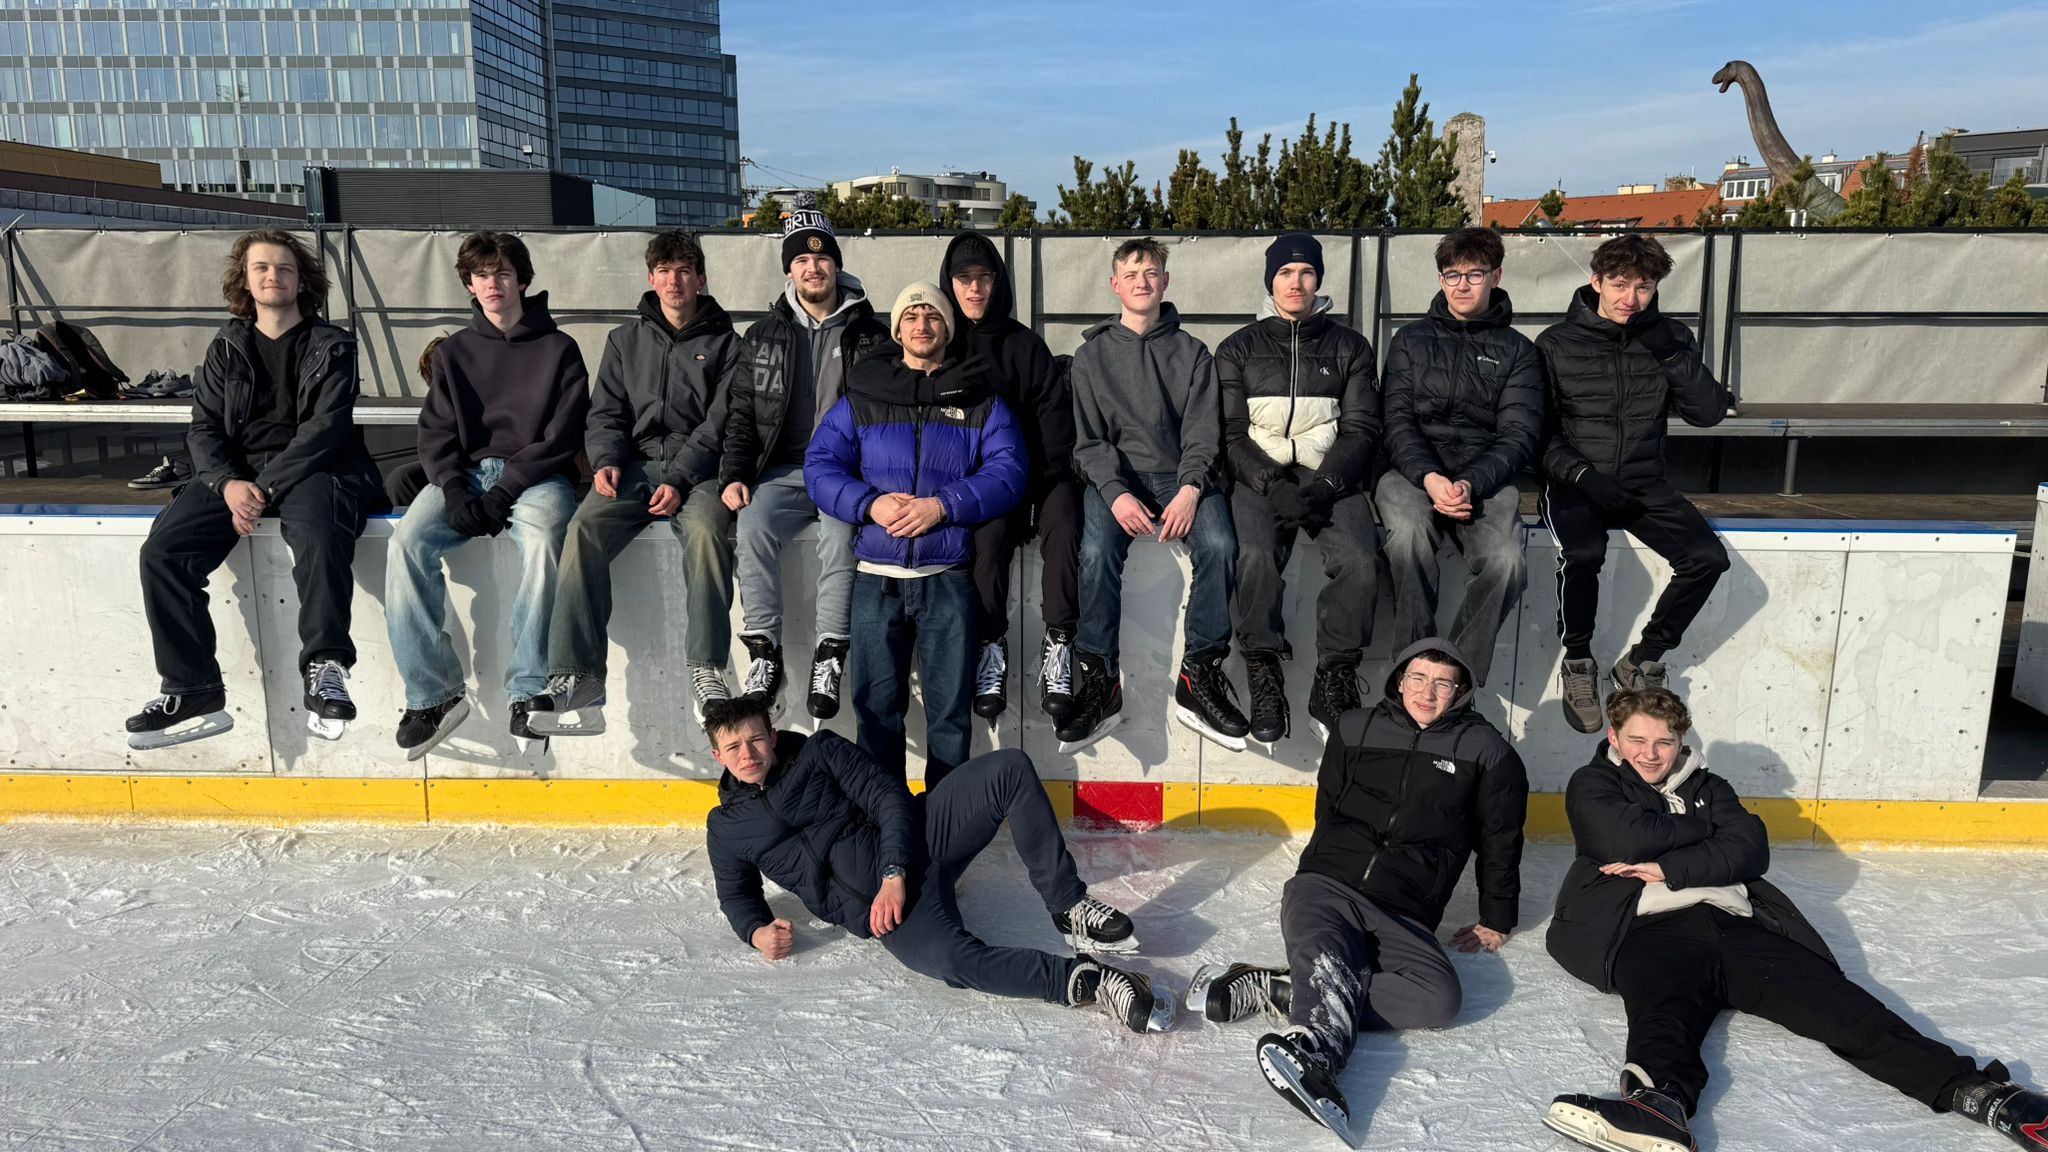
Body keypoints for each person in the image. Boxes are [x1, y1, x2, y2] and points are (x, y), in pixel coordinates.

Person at [1544, 687, 2047, 1152]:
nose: (1650, 754)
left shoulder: (1710, 786)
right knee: (1663, 1011)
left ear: (1680, 742)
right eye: (1637, 740)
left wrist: (1667, 865)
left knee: (1841, 1007)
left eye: (1664, 742)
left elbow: (1751, 849)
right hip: (1646, 928)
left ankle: (1988, 1097)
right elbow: (1621, 839)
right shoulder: (1594, 782)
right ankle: (1659, 1109)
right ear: (1615, 737)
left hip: (1733, 923)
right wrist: (1705, 832)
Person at [1191, 639, 1527, 1142]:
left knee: (1439, 999)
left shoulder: (1487, 751)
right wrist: (1326, 860)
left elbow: (1501, 837)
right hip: (1327, 883)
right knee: (1328, 948)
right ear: (1399, 679)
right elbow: (1329, 805)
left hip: (1405, 905)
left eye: (1442, 684)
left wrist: (1497, 917)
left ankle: (1286, 986)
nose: (1427, 693)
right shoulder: (1354, 727)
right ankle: (1315, 1055)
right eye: (1418, 678)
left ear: (1460, 691)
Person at [702, 696, 1165, 1034]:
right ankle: (1088, 981)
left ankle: (1069, 906)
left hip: (922, 837)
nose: (748, 754)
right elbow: (737, 894)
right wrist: (756, 932)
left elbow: (888, 798)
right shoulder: (725, 829)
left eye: (755, 739)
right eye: (734, 746)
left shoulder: (819, 751)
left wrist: (894, 871)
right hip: (888, 913)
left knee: (1008, 769)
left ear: (772, 736)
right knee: (951, 961)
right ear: (718, 756)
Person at [127, 229, 384, 750]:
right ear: (244, 280)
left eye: (284, 268)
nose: (273, 276)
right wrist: (226, 483)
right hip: (236, 473)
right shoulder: (227, 346)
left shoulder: (333, 345)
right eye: (261, 268)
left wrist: (259, 489)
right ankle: (192, 686)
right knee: (163, 552)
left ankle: (326, 667)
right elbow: (203, 428)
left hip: (314, 469)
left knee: (318, 532)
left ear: (301, 280)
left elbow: (326, 430)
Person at [805, 283, 1025, 788]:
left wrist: (942, 505)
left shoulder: (980, 400)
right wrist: (871, 503)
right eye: (911, 317)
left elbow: (1009, 471)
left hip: (947, 578)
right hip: (875, 580)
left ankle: (944, 821)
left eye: (932, 316)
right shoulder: (864, 398)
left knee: (950, 717)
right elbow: (820, 466)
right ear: (897, 330)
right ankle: (887, 821)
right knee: (876, 714)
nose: (921, 325)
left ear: (948, 329)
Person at [527, 231, 741, 736]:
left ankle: (707, 668)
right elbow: (606, 412)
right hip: (635, 467)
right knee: (582, 530)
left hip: (700, 471)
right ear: (650, 278)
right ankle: (578, 675)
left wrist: (682, 478)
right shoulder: (625, 340)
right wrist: (605, 459)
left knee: (708, 534)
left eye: (684, 271)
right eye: (664, 271)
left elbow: (720, 424)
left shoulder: (729, 345)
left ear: (701, 279)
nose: (674, 281)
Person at [385, 231, 585, 759]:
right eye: (481, 275)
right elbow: (437, 431)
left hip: (538, 476)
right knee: (405, 544)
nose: (492, 283)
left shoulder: (560, 349)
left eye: (502, 273)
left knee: (544, 543)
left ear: (522, 279)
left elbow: (562, 436)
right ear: (469, 285)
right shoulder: (453, 352)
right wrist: (454, 488)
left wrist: (508, 489)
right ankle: (434, 695)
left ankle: (528, 691)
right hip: (467, 474)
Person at [1540, 234, 1731, 734]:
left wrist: (1670, 353)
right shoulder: (1556, 343)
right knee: (1584, 554)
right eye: (1620, 284)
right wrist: (1585, 477)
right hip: (1577, 482)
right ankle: (1578, 661)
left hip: (1644, 482)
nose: (1631, 298)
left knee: (1707, 559)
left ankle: (1643, 658)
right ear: (1596, 282)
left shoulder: (1670, 337)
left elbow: (1709, 413)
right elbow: (1538, 434)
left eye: (1643, 287)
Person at [1063, 237, 1247, 752]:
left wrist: (1190, 488)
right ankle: (1100, 679)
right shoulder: (1091, 357)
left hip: (1182, 475)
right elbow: (1088, 442)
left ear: (1166, 282)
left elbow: (1203, 434)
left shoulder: (1193, 353)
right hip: (1118, 478)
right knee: (1095, 551)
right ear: (1114, 285)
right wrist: (1115, 493)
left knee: (1220, 545)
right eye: (1131, 274)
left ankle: (1199, 674)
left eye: (1151, 273)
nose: (1142, 282)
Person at [718, 192, 889, 721]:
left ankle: (829, 653)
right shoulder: (763, 335)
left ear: (836, 265)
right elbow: (742, 413)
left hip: (843, 472)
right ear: (789, 271)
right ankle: (765, 654)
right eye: (802, 259)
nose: (813, 267)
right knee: (751, 528)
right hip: (780, 469)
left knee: (840, 539)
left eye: (822, 257)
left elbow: (887, 415)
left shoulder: (871, 334)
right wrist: (735, 473)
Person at [1217, 232, 1383, 749]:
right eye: (1286, 273)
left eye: (1307, 272)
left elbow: (1361, 428)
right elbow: (1231, 434)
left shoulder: (1350, 346)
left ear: (1319, 280)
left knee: (1360, 561)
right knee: (1255, 556)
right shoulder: (1238, 348)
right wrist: (1270, 484)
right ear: (1270, 281)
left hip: (1328, 474)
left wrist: (1328, 484)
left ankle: (1334, 676)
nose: (1296, 283)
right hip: (1260, 474)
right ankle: (1263, 667)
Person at [1377, 227, 1542, 689]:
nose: (1462, 285)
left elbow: (1518, 436)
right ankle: (1412, 667)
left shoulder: (1519, 351)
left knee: (1506, 562)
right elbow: (1396, 421)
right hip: (1411, 472)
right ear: (1441, 279)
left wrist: (1470, 483)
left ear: (1496, 276)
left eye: (1475, 274)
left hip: (1484, 480)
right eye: (1453, 275)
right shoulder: (1409, 340)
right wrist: (1429, 477)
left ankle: (1455, 676)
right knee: (1407, 538)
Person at [939, 231, 1082, 726]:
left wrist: (1033, 491)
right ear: (950, 284)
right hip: (978, 480)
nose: (974, 289)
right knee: (991, 533)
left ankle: (1059, 643)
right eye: (964, 278)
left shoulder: (1025, 345)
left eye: (984, 277)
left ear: (998, 282)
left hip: (1038, 473)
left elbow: (1054, 425)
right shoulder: (940, 344)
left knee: (1066, 518)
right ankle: (990, 645)